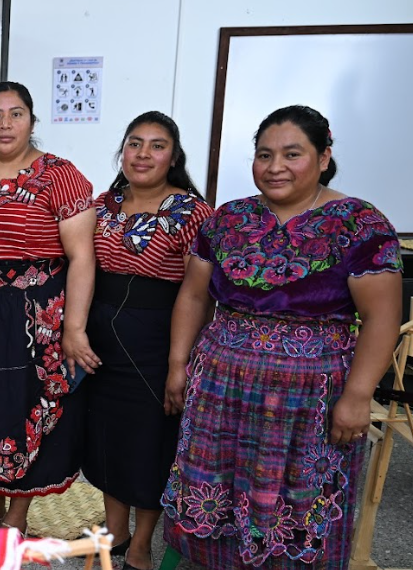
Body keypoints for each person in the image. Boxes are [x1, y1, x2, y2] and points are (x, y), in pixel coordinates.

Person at [161, 105, 403, 569]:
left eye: (292, 154)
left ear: (324, 156)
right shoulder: (228, 220)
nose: (275, 167)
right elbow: (193, 297)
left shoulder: (359, 224)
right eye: (264, 154)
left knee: (296, 499)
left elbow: (381, 318)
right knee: (216, 490)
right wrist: (178, 364)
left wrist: (357, 395)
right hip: (219, 386)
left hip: (309, 398)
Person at [0, 81, 98, 533]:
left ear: (32, 120)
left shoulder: (59, 174)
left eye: (16, 114)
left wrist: (75, 329)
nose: (5, 124)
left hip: (39, 315)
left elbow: (82, 257)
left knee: (28, 410)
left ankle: (16, 514)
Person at [82, 111, 213, 570]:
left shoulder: (194, 213)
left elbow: (201, 293)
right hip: (102, 340)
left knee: (149, 443)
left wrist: (183, 360)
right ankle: (115, 531)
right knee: (107, 438)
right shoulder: (104, 203)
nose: (143, 154)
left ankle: (141, 544)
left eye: (156, 145)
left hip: (158, 340)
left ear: (173, 157)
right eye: (134, 143)